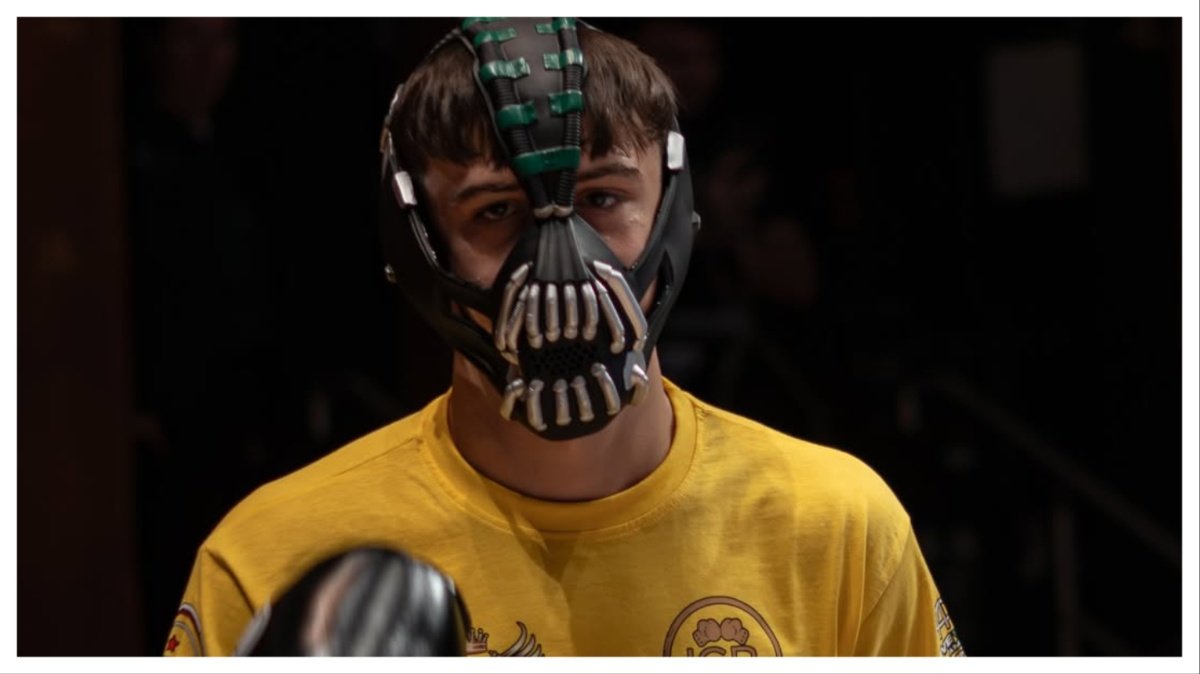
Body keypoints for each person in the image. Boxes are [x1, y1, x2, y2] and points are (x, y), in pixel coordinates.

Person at [164, 18, 964, 657]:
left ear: (673, 212)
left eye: (602, 198)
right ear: (418, 247)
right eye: (495, 211)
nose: (562, 262)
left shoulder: (836, 528)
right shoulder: (275, 557)